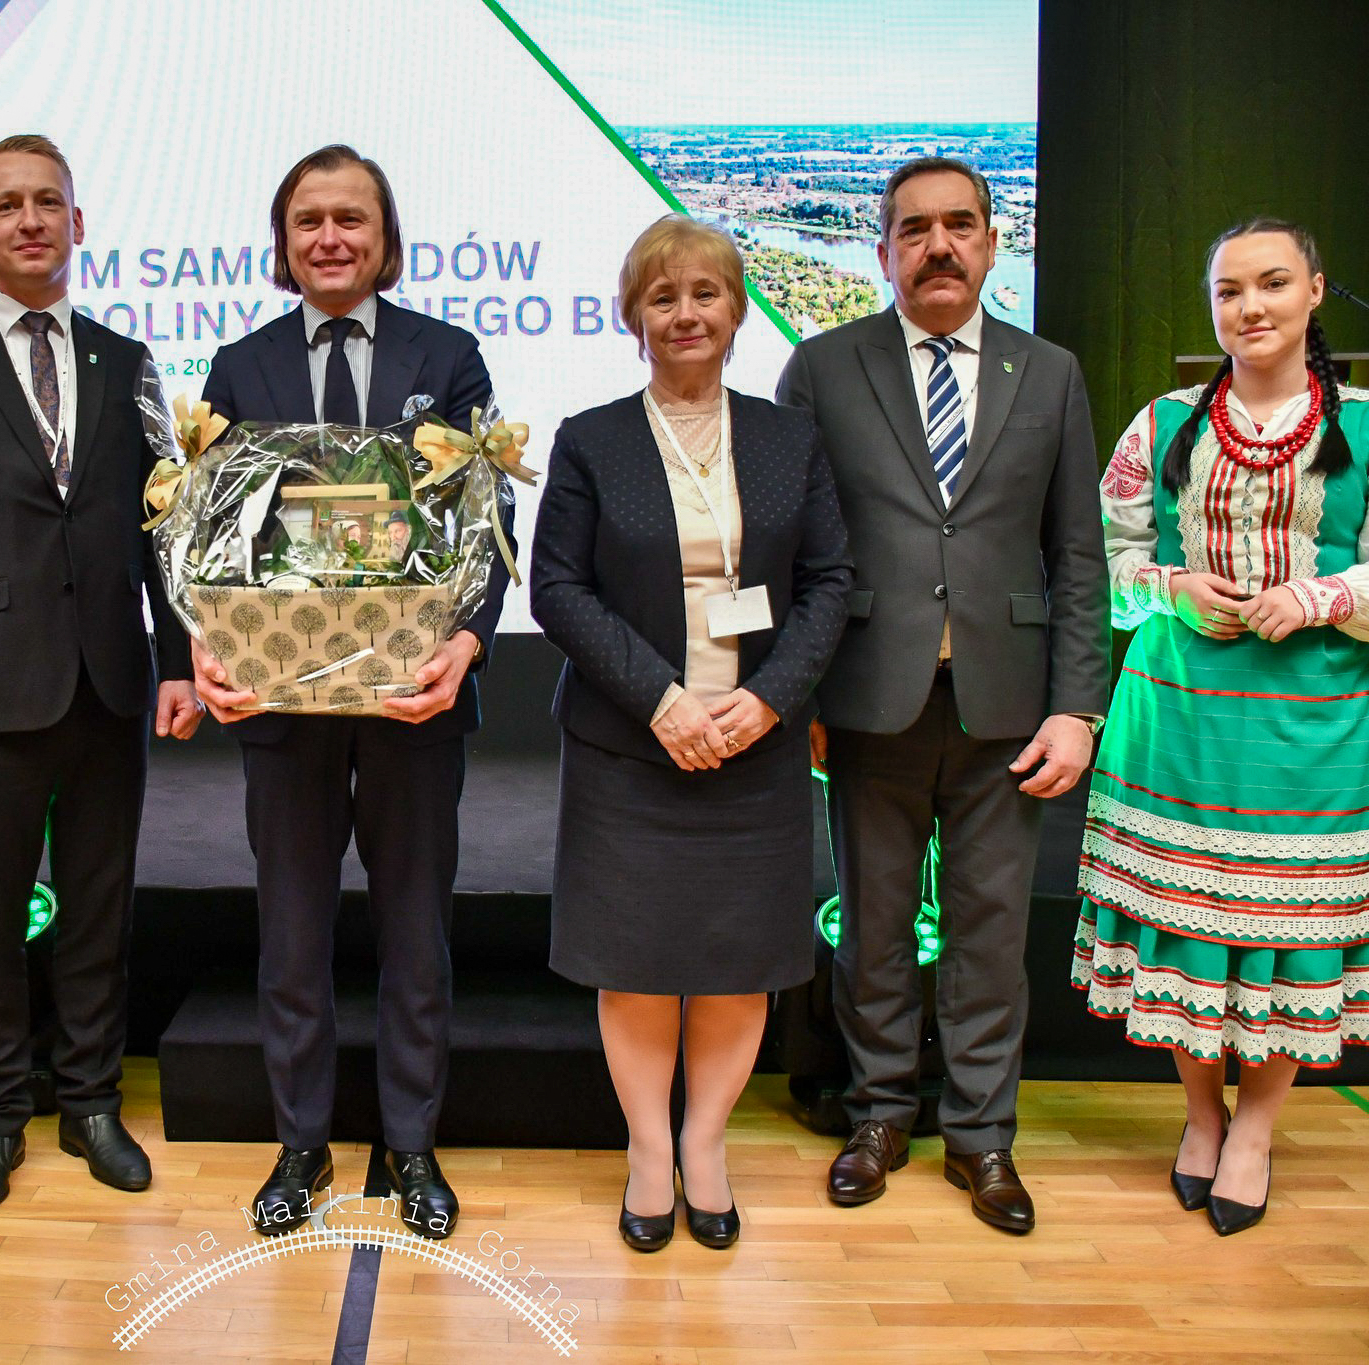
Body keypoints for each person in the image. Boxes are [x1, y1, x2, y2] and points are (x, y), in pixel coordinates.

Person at [776, 156, 1109, 1235]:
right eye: (913, 229)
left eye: (958, 225)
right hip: (866, 696)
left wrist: (1078, 708)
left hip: (1008, 707)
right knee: (871, 926)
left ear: (991, 242)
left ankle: (981, 1136)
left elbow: (1078, 554)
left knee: (989, 933)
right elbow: (792, 551)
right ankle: (878, 1116)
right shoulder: (822, 368)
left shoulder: (1049, 372)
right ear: (882, 251)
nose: (938, 246)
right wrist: (796, 694)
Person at [0, 134, 200, 1218]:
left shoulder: (126, 360)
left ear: (76, 220)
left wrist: (176, 660)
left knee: (100, 909)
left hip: (109, 683)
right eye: (7, 205)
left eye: (47, 201)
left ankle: (92, 1103)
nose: (29, 219)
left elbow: (162, 529)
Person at [194, 144, 509, 1241]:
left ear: (384, 237)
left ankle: (410, 1143)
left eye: (351, 219)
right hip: (283, 700)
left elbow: (486, 519)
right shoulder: (239, 366)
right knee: (291, 936)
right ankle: (301, 1143)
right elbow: (210, 528)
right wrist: (208, 643)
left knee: (416, 932)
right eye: (309, 221)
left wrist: (468, 642)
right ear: (283, 244)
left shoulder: (448, 356)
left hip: (413, 695)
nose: (330, 238)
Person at [532, 215, 850, 1252]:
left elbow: (829, 582)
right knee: (633, 961)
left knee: (736, 960)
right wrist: (662, 701)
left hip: (754, 747)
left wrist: (769, 701)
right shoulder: (592, 438)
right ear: (633, 316)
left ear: (736, 308)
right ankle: (646, 1151)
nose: (685, 314)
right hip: (632, 747)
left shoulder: (788, 438)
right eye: (662, 296)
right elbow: (557, 589)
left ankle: (704, 1144)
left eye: (705, 293)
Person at [1077, 218, 1368, 1236]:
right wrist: (1169, 587)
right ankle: (1201, 1115)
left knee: (1286, 929)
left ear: (1315, 292)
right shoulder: (1161, 425)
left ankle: (1255, 1129)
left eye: (1272, 284)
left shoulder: (1364, 426)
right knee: (1184, 920)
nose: (1250, 307)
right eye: (1229, 291)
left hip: (1314, 725)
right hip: (1176, 715)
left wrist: (1322, 596)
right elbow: (1100, 563)